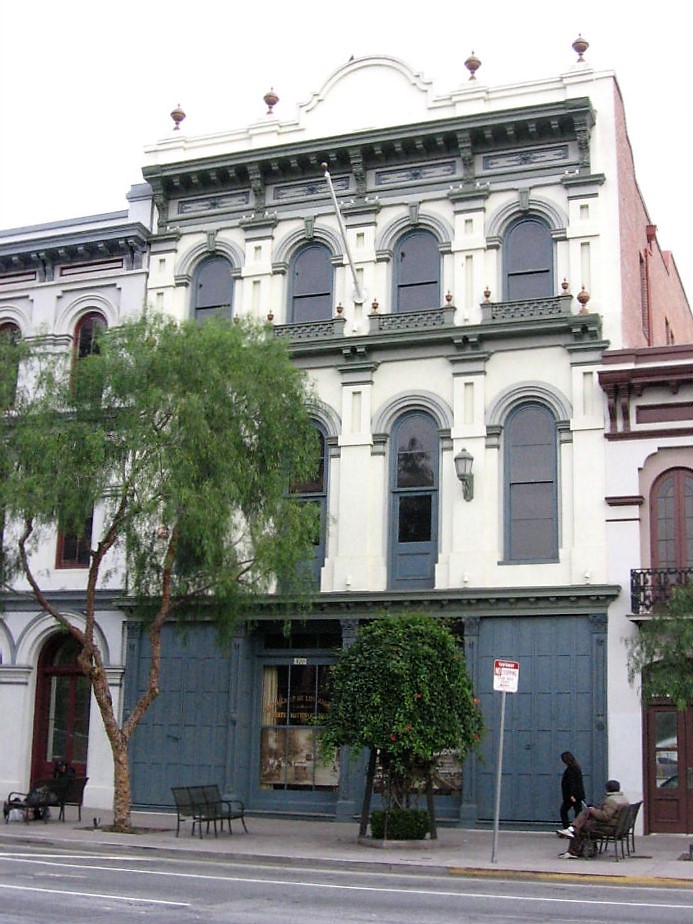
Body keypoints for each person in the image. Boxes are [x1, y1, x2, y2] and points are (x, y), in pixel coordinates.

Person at [558, 779, 628, 859]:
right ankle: (575, 835)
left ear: (607, 789)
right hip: (618, 826)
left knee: (581, 827)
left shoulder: (611, 800)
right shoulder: (623, 799)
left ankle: (573, 850)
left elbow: (605, 816)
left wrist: (593, 811)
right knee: (584, 821)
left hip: (609, 827)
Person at [557, 751, 585, 834]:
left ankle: (568, 828)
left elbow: (572, 783)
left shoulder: (571, 769)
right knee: (578, 811)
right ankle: (577, 828)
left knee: (564, 811)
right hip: (577, 794)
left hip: (571, 795)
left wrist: (572, 794)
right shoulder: (576, 768)